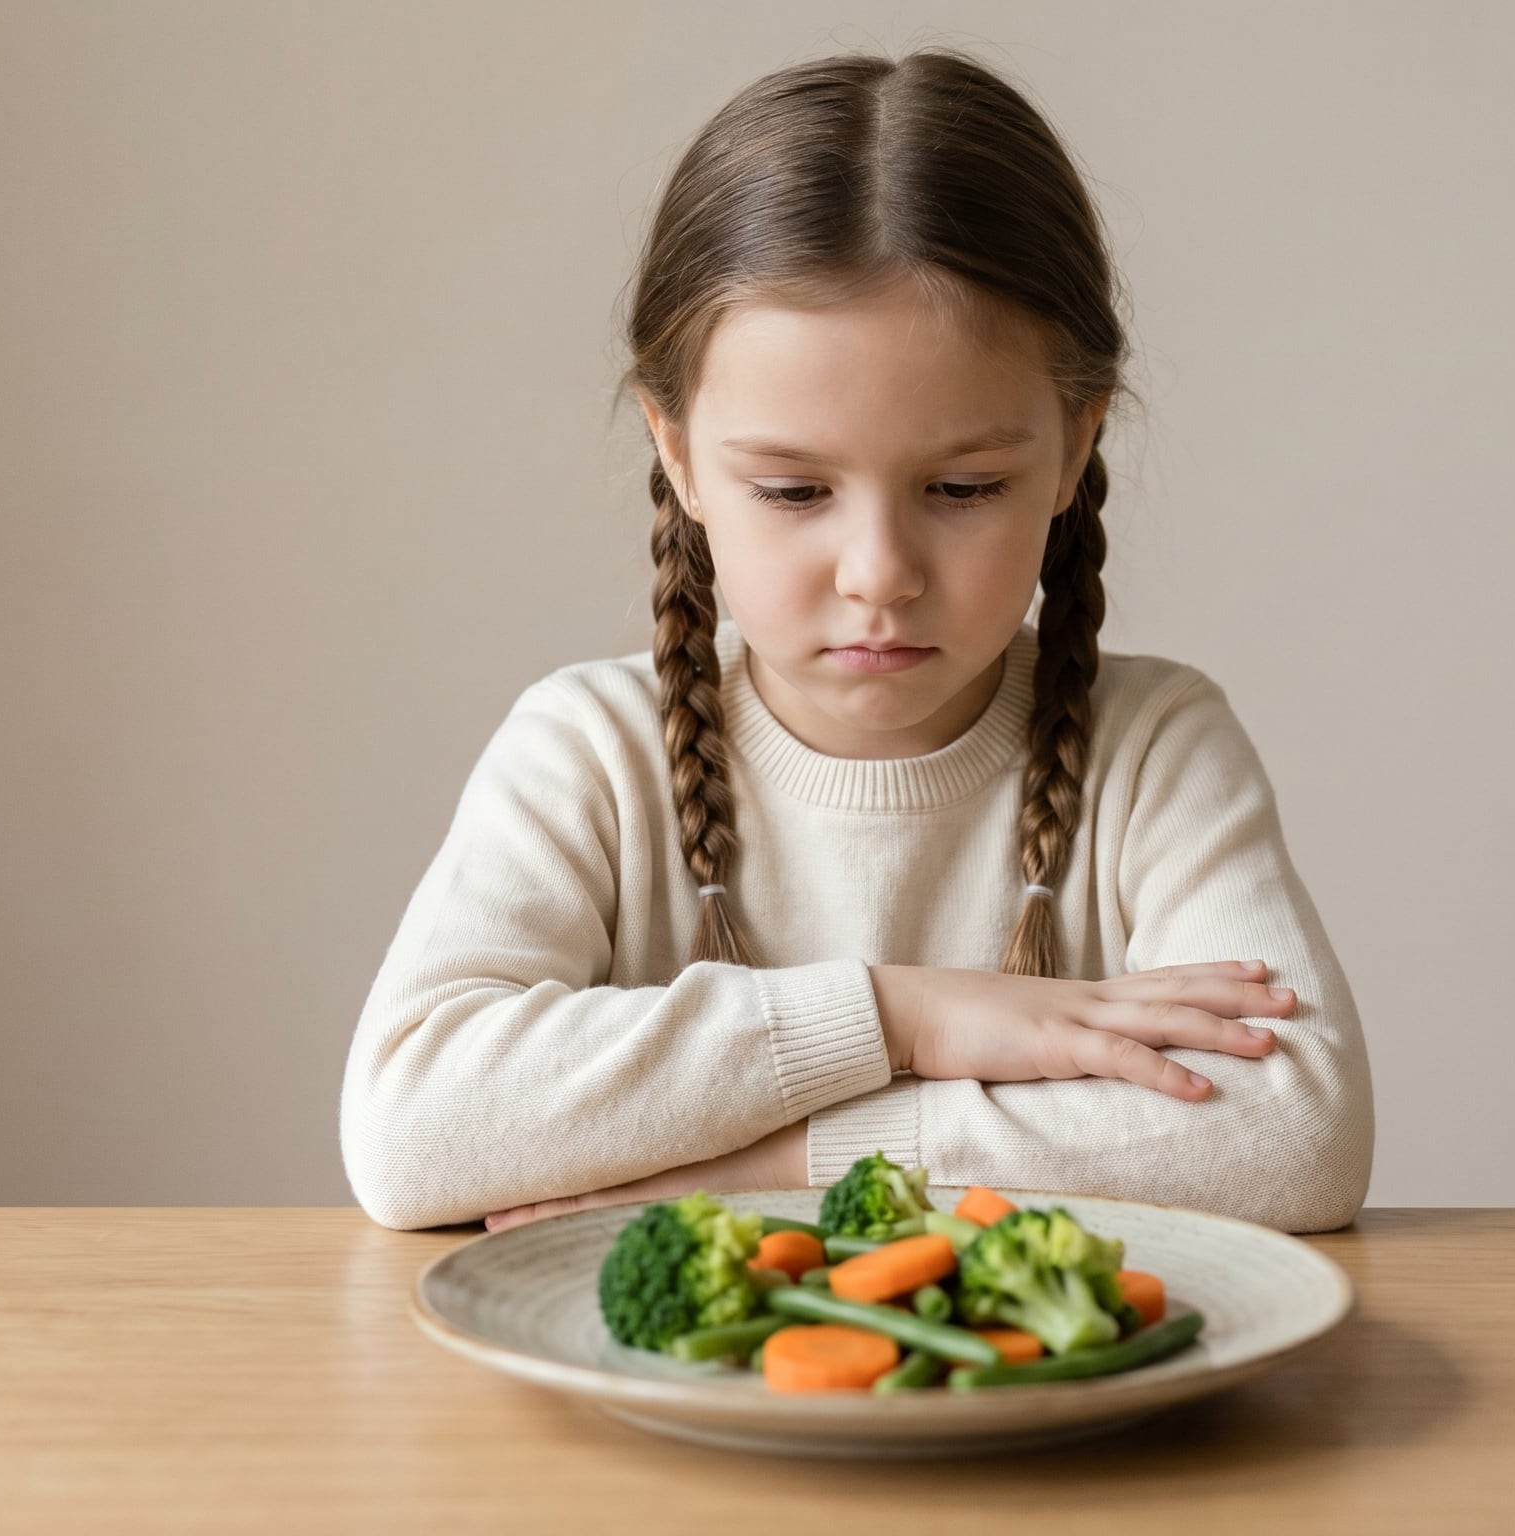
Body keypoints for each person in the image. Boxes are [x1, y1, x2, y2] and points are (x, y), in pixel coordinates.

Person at [339, 47, 1373, 1235]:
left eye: (964, 486)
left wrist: (790, 1160)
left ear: (1075, 447)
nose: (880, 575)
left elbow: (1293, 1138)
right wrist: (906, 1017)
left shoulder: (1154, 751)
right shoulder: (586, 752)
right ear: (674, 452)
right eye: (791, 491)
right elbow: (412, 1132)